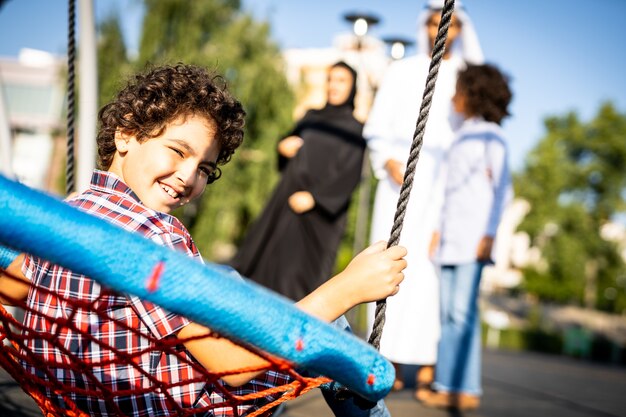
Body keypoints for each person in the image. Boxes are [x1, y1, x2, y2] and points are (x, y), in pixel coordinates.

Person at [0, 64, 407, 417]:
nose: (187, 177)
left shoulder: (65, 215)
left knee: (226, 278)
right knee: (330, 328)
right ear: (125, 134)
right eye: (178, 151)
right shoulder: (154, 234)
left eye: (204, 170)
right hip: (178, 405)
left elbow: (19, 286)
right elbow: (235, 365)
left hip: (84, 400)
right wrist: (348, 287)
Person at [363, 0, 483, 400]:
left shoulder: (468, 79)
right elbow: (377, 128)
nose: (439, 30)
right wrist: (388, 160)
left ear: (461, 30)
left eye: (445, 24)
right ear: (425, 27)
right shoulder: (402, 70)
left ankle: (432, 367)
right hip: (399, 182)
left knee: (432, 279)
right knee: (392, 263)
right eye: (432, 23)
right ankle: (388, 363)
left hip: (444, 192)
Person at [230, 61, 366, 302]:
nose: (334, 86)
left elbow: (350, 174)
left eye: (341, 80)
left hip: (318, 216)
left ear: (353, 87)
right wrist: (283, 147)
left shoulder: (355, 130)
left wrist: (315, 199)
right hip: (286, 201)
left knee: (295, 278)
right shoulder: (311, 117)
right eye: (331, 79)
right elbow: (288, 141)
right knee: (265, 263)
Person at [423, 63, 513, 411]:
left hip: (474, 239)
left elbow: (502, 189)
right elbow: (450, 191)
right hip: (450, 239)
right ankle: (447, 383)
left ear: (474, 94)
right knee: (447, 314)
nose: (452, 97)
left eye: (458, 89)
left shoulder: (492, 136)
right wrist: (437, 229)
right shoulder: (460, 136)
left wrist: (490, 234)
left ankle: (468, 387)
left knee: (462, 313)